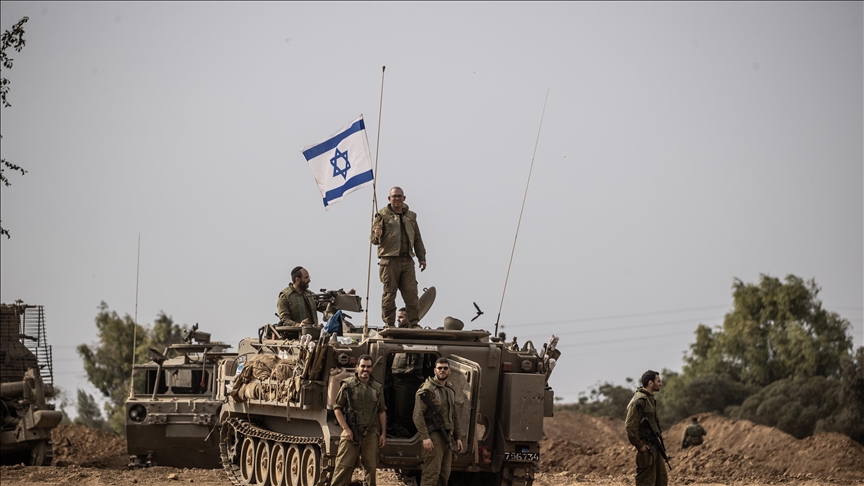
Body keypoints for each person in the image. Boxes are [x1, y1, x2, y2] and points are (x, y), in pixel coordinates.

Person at [371, 186, 426, 328]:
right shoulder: (382, 215)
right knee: (389, 294)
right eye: (394, 196)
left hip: (407, 259)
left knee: (411, 294)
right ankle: (389, 324)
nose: (397, 199)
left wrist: (421, 257)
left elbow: (417, 238)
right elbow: (373, 240)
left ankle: (414, 323)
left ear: (404, 198)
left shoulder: (411, 216)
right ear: (389, 199)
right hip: (389, 260)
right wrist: (377, 235)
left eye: (399, 196)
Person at [332, 354, 387, 486]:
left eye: (368, 367)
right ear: (357, 367)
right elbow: (337, 408)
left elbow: (382, 411)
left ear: (372, 368)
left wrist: (383, 434)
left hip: (370, 433)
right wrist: (346, 429)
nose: (365, 369)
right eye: (362, 366)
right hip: (351, 431)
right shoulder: (348, 385)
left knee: (370, 468)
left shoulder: (377, 388)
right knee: (343, 467)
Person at [413, 357, 463, 486]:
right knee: (431, 474)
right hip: (434, 436)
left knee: (444, 474)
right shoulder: (427, 390)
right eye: (440, 368)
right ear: (435, 370)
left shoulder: (449, 390)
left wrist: (458, 437)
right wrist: (425, 437)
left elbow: (454, 415)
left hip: (447, 437)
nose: (442, 370)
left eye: (445, 368)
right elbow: (417, 415)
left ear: (449, 371)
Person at [625, 370, 668, 486]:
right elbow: (630, 425)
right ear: (650, 383)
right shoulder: (640, 400)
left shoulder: (649, 398)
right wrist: (639, 445)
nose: (661, 384)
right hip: (646, 446)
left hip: (654, 444)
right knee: (646, 481)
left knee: (661, 480)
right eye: (658, 381)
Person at [390, 307, 423, 437]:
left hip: (409, 380)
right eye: (397, 317)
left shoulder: (415, 332)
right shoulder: (401, 333)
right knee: (397, 412)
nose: (398, 320)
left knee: (405, 413)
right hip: (399, 379)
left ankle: (409, 437)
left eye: (401, 317)